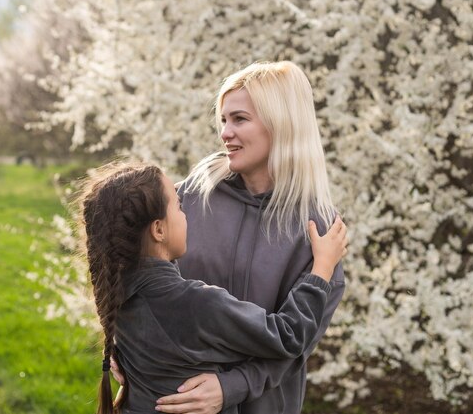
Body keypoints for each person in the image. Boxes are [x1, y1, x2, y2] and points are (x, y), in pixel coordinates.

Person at [76, 162, 348, 414]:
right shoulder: (196, 303)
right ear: (158, 230)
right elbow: (288, 336)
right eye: (180, 206)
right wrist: (321, 270)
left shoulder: (117, 295)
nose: (187, 216)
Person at [153, 61, 346, 414]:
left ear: (281, 125)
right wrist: (123, 343)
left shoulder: (318, 231)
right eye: (224, 120)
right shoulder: (192, 196)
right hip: (174, 400)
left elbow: (297, 343)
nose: (225, 132)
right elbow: (140, 276)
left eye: (239, 119)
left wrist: (229, 388)